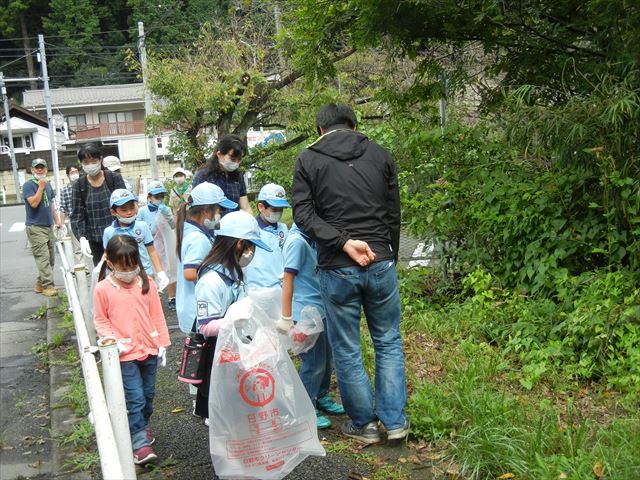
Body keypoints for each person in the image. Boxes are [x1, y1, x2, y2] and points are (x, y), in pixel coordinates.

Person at [291, 103, 408, 444]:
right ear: (354, 125)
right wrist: (389, 256)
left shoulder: (308, 159)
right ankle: (395, 422)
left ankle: (365, 425)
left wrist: (342, 242)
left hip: (338, 266)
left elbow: (303, 216)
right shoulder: (380, 154)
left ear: (319, 130)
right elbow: (393, 214)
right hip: (380, 262)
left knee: (347, 348)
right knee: (388, 342)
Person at [93, 235, 170, 465]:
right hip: (125, 354)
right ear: (110, 264)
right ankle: (138, 443)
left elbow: (157, 316)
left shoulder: (147, 285)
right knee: (134, 398)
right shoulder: (103, 290)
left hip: (149, 350)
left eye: (132, 265)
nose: (129, 271)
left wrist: (163, 344)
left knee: (148, 395)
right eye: (123, 266)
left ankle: (142, 426)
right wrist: (112, 341)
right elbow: (101, 321)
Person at [193, 210, 271, 421]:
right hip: (217, 357)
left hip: (235, 352)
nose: (252, 253)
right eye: (251, 247)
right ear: (239, 245)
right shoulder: (211, 281)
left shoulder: (234, 272)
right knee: (223, 416)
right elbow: (205, 327)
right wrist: (234, 320)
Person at [280, 223, 345, 429]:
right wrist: (287, 317)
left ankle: (321, 395)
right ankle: (305, 407)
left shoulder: (311, 239)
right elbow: (287, 279)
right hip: (304, 312)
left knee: (326, 359)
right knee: (313, 362)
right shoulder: (297, 242)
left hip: (319, 309)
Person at [175, 182, 237, 335]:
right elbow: (189, 273)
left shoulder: (194, 230)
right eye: (219, 210)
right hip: (197, 309)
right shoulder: (198, 238)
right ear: (205, 211)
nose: (220, 215)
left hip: (192, 306)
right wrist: (220, 274)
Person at [102, 189, 170, 292]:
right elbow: (107, 254)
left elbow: (151, 250)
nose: (129, 212)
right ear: (113, 212)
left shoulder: (142, 226)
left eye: (132, 208)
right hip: (122, 275)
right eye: (124, 210)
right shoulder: (109, 232)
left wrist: (160, 272)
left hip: (144, 272)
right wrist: (101, 268)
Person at [71, 143, 126, 265]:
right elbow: (77, 215)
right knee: (103, 273)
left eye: (93, 160)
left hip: (118, 236)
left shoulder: (114, 178)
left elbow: (125, 205)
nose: (90, 165)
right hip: (95, 240)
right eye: (86, 162)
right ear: (81, 163)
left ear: (100, 159)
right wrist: (82, 236)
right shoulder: (79, 186)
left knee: (123, 268)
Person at [23, 158, 63, 297]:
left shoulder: (48, 184)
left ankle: (40, 283)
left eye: (42, 167)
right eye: (37, 168)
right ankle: (48, 286)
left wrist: (57, 221)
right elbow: (33, 203)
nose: (40, 170)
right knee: (43, 257)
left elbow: (51, 204)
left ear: (46, 169)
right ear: (32, 170)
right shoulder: (28, 185)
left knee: (51, 258)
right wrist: (40, 187)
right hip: (35, 227)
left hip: (48, 225)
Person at [138, 181, 177, 308]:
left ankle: (172, 297)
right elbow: (139, 226)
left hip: (164, 243)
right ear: (149, 197)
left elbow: (172, 226)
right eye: (156, 196)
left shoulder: (166, 209)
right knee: (151, 271)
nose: (160, 199)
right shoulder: (143, 211)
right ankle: (154, 298)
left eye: (162, 196)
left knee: (169, 269)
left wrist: (167, 215)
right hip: (149, 245)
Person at [191, 134, 252, 215]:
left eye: (239, 160)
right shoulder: (203, 176)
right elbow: (197, 210)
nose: (236, 163)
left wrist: (252, 223)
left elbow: (245, 207)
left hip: (235, 224)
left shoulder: (238, 176)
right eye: (233, 159)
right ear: (219, 154)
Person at [244, 183, 290, 290]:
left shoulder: (283, 229)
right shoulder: (250, 231)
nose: (278, 213)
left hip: (281, 286)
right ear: (261, 207)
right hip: (257, 289)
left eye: (281, 209)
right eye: (274, 209)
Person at [58, 164, 84, 263]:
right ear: (68, 175)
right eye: (72, 172)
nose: (74, 174)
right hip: (74, 221)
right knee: (77, 246)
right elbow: (62, 208)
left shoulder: (85, 186)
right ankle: (84, 268)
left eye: (76, 172)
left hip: (87, 219)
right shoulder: (64, 191)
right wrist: (62, 223)